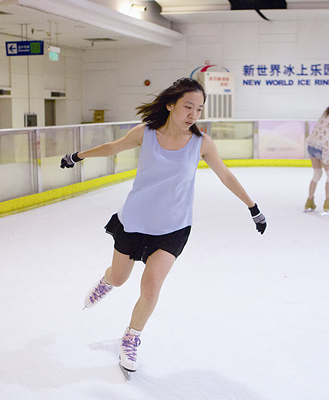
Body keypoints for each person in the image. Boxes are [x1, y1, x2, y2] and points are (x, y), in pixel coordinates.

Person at [60, 77, 266, 376]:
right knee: (119, 279)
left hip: (173, 226)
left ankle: (131, 337)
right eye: (187, 107)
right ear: (170, 105)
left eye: (199, 108)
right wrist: (77, 155)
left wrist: (253, 208)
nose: (193, 114)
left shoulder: (201, 143)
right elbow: (113, 148)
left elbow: (226, 176)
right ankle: (106, 281)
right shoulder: (146, 133)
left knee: (152, 284)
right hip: (135, 221)